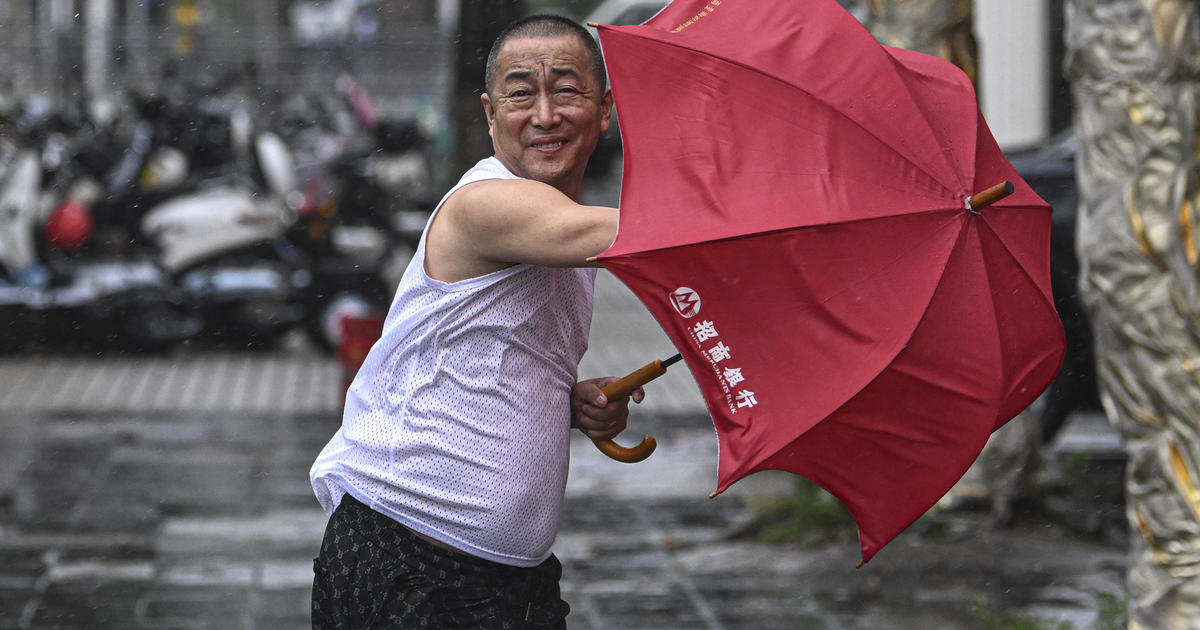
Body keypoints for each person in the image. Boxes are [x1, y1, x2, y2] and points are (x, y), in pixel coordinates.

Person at [309, 14, 641, 629]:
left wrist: (569, 399)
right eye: (521, 94)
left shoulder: (563, 225)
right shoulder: (485, 204)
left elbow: (496, 352)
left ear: (605, 108)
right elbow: (631, 233)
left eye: (566, 90)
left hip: (513, 576)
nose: (544, 115)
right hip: (407, 559)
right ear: (490, 114)